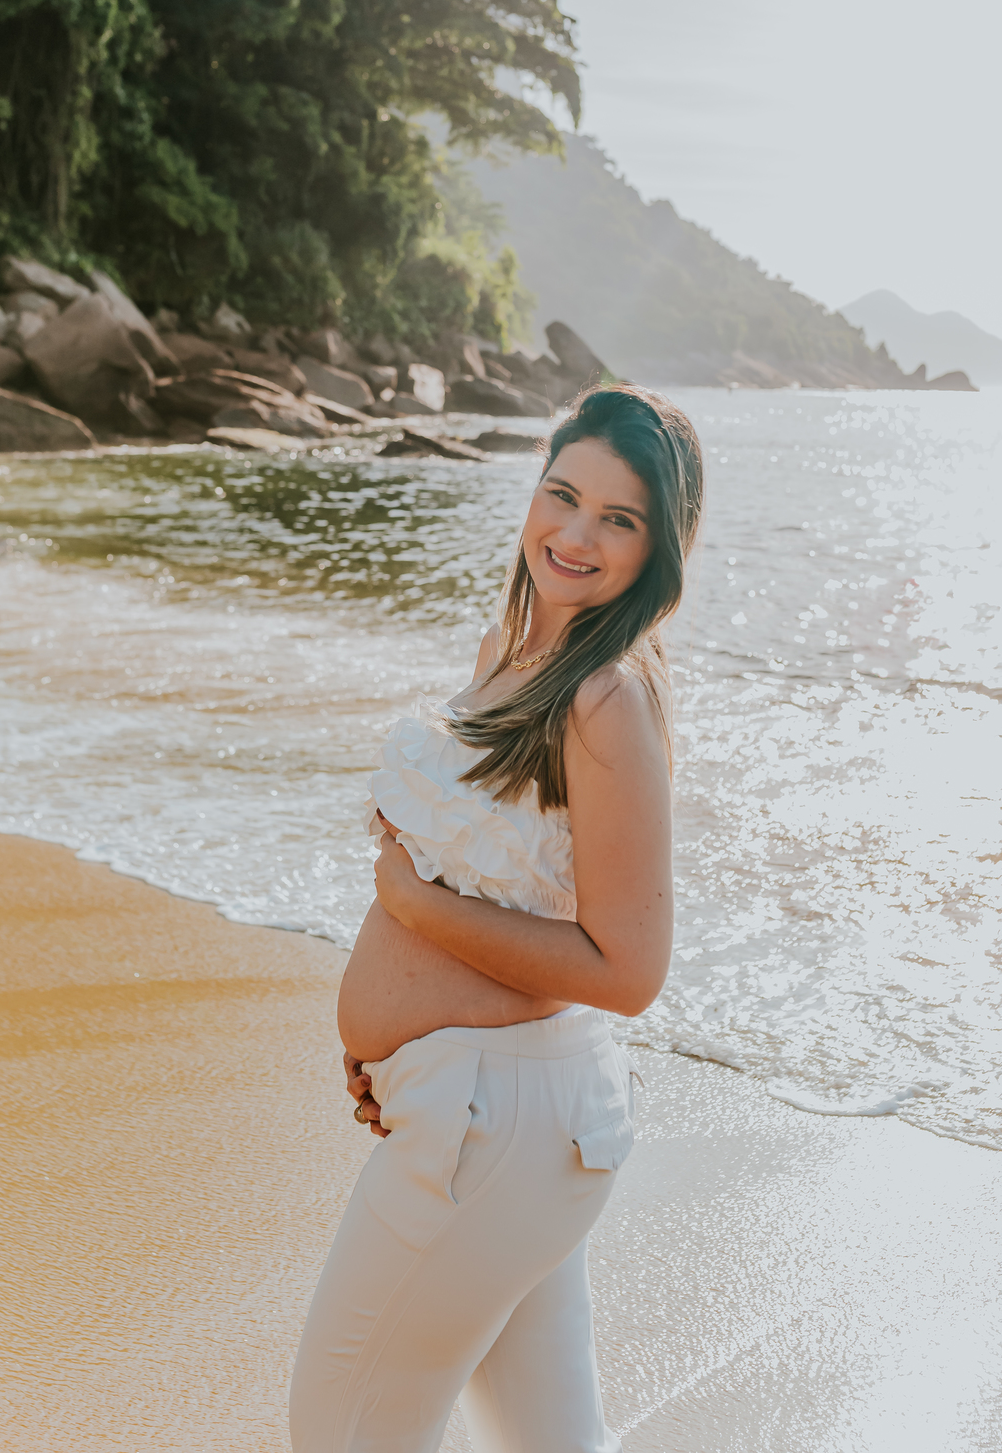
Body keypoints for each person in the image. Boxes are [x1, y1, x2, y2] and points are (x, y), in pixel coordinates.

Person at [290, 384, 704, 1453]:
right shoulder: (511, 659)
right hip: (498, 1112)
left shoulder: (604, 700)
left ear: (660, 549)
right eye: (562, 494)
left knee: (342, 1432)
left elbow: (627, 967)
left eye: (619, 518)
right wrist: (394, 1047)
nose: (574, 534)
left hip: (500, 1125)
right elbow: (510, 893)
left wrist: (411, 908)